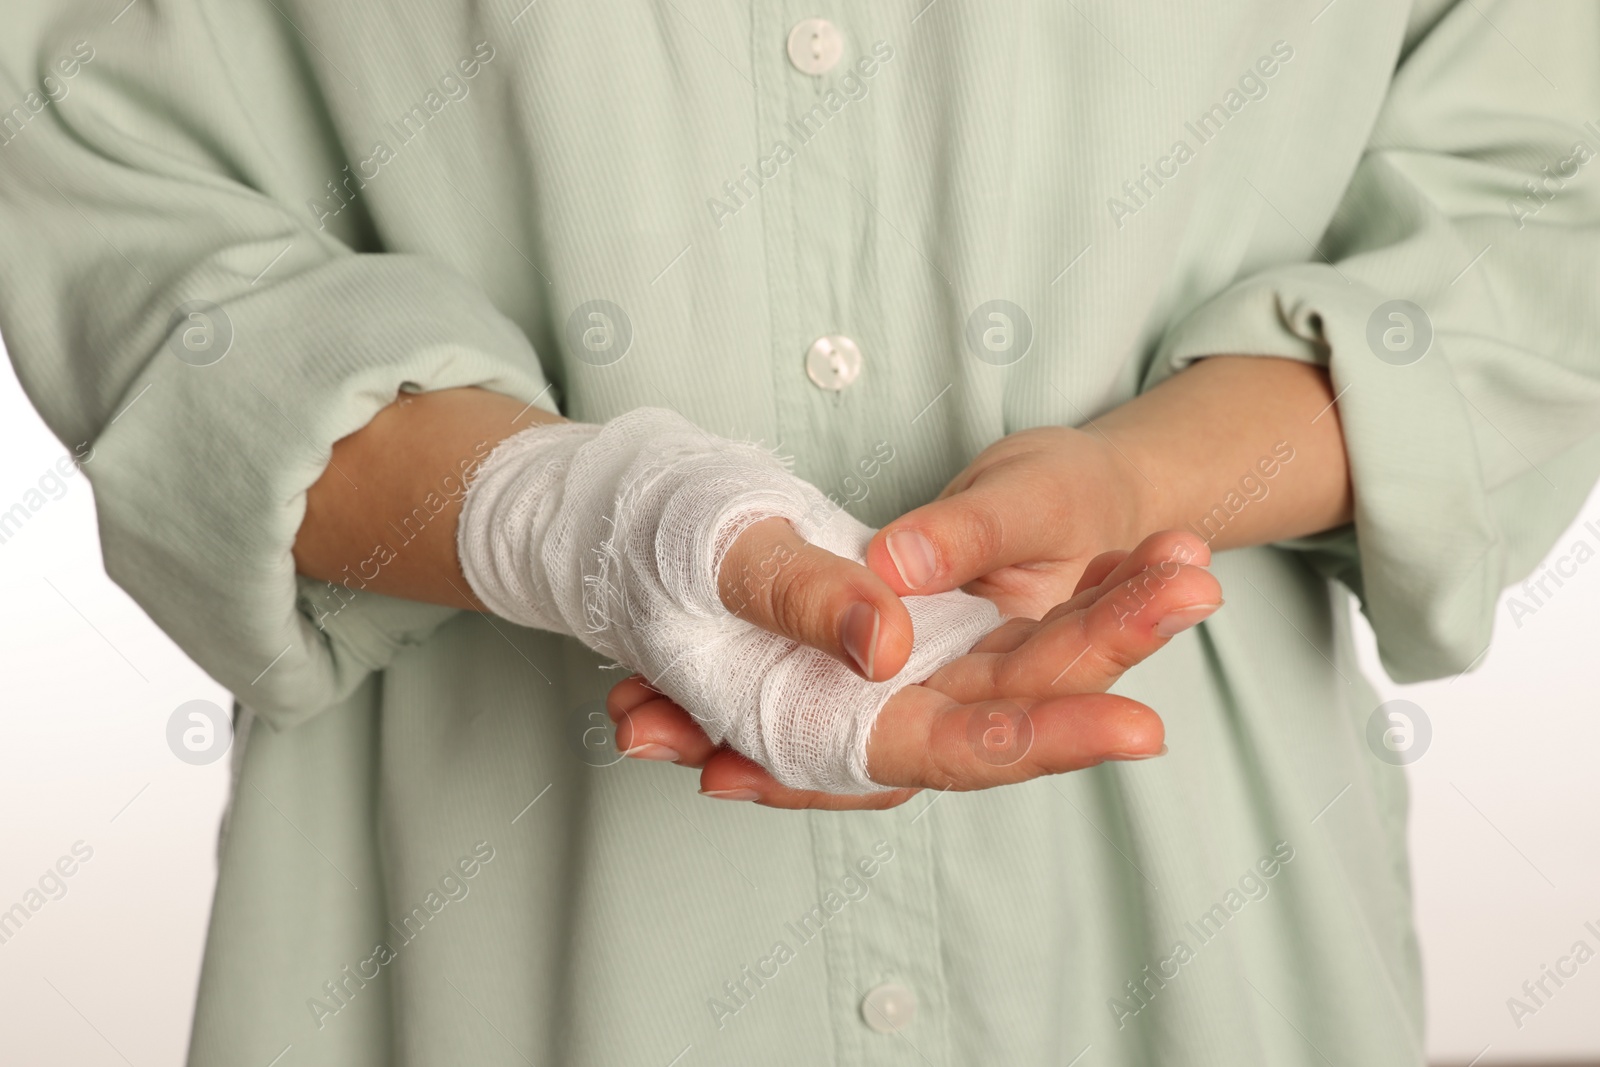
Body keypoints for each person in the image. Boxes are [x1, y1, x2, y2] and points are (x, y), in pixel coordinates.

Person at [2, 1, 1597, 1064]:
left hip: (1200, 942)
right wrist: (578, 517)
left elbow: (1541, 206)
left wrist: (1143, 482)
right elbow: (105, 203)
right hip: (470, 953)